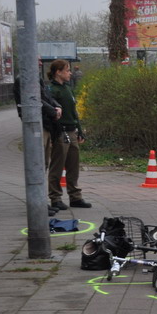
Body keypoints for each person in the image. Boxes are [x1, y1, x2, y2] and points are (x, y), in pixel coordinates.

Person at [14, 61, 63, 216]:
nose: (41, 63)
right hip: (36, 125)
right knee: (38, 164)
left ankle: (42, 201)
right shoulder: (23, 79)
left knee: (44, 163)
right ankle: (37, 203)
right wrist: (52, 111)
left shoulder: (36, 78)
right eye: (37, 59)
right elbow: (33, 99)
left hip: (45, 124)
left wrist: (57, 106)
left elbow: (46, 96)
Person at [47, 59, 91, 209]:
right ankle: (55, 198)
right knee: (57, 167)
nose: (70, 73)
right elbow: (52, 113)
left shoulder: (67, 88)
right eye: (67, 70)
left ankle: (75, 196)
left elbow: (74, 112)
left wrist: (79, 129)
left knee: (73, 166)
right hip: (60, 132)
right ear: (58, 72)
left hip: (72, 131)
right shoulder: (52, 90)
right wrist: (54, 134)